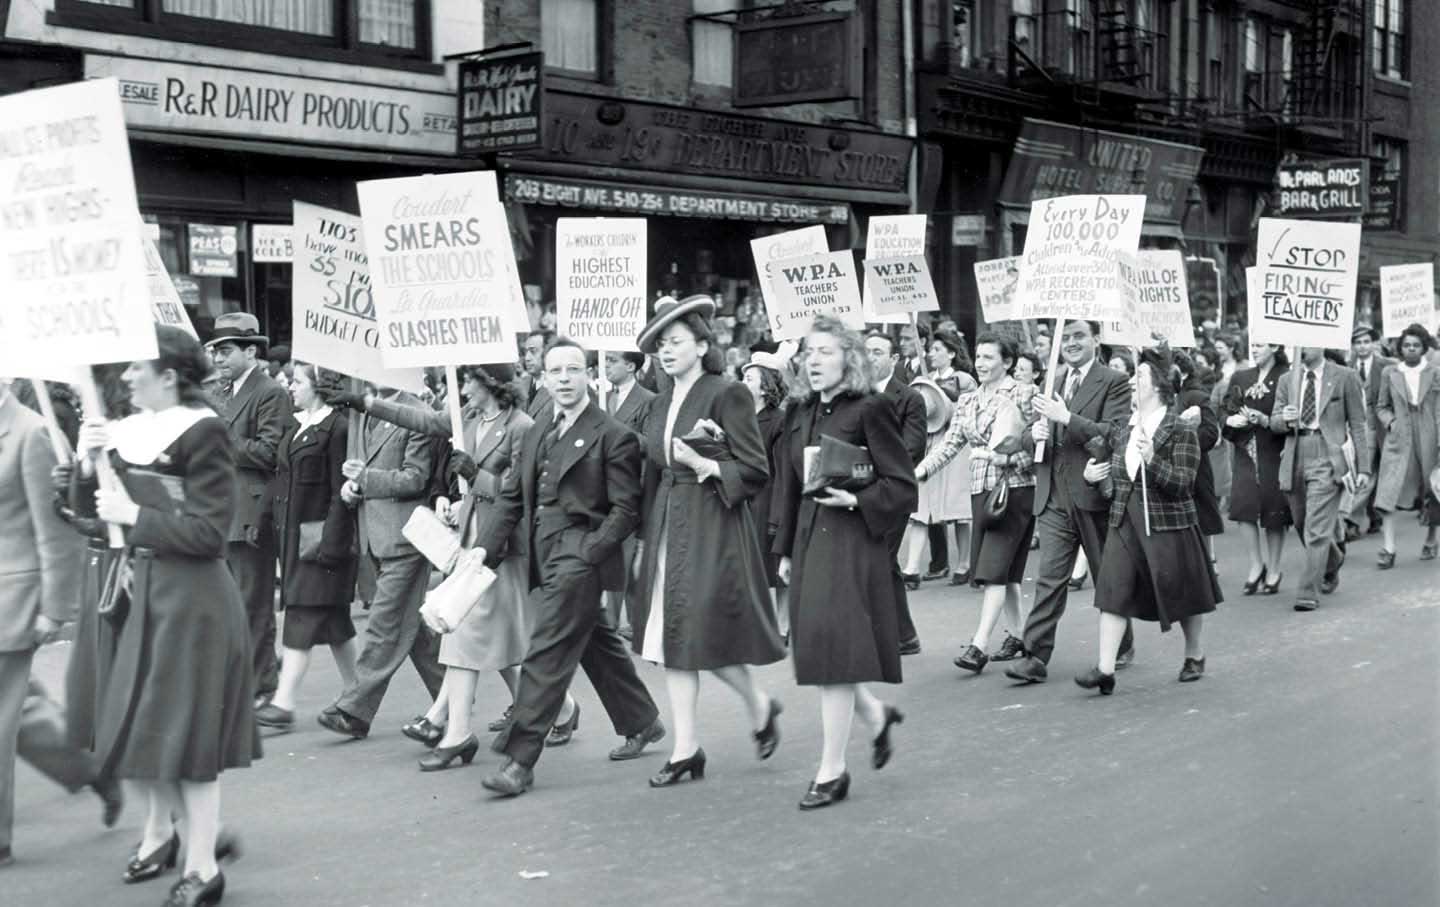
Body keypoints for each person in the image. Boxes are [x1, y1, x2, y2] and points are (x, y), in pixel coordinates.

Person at [73, 325, 258, 905]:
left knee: (189, 740)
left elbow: (208, 533)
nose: (125, 377)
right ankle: (183, 844)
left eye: (136, 368)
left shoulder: (204, 433)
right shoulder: (124, 431)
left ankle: (202, 866)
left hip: (194, 603)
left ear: (169, 376)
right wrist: (86, 460)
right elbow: (88, 516)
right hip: (142, 595)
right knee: (149, 735)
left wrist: (133, 513)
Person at [474, 338, 665, 797]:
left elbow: (625, 510)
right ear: (542, 378)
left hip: (579, 554)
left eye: (572, 370)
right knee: (596, 641)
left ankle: (520, 760)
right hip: (544, 551)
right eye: (554, 371)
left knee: (547, 649)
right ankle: (644, 721)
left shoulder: (612, 434)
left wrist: (590, 552)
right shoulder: (537, 430)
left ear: (588, 377)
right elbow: (512, 499)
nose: (563, 379)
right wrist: (484, 550)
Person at [628, 297, 786, 788]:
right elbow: (649, 467)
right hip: (667, 525)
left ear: (701, 345)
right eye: (659, 347)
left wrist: (708, 466)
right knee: (673, 638)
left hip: (712, 524)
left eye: (674, 343)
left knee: (695, 631)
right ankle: (687, 747)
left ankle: (755, 706)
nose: (665, 353)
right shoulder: (656, 403)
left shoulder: (727, 394)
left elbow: (757, 469)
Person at [771, 316, 916, 810]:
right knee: (823, 650)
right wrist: (786, 549)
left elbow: (901, 487)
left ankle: (832, 770)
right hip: (811, 544)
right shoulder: (800, 410)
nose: (813, 361)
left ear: (849, 358)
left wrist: (857, 502)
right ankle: (876, 718)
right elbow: (788, 486)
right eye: (808, 352)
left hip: (853, 543)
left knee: (833, 656)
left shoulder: (871, 408)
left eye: (826, 352)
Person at [0, 378, 122, 870]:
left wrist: (55, 605)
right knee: (21, 713)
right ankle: (93, 769)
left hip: (12, 596)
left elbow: (54, 528)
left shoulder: (30, 433)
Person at [1075, 347, 1220, 694]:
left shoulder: (1180, 429)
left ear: (1157, 386)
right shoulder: (1123, 428)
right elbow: (1103, 463)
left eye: (1138, 376)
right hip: (1124, 518)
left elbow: (1183, 483)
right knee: (1112, 588)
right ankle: (1105, 669)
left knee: (1182, 592)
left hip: (1169, 521)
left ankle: (1194, 653)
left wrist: (1153, 459)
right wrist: (1092, 472)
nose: (1131, 381)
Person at [1007, 320, 1134, 684]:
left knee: (1105, 573)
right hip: (1053, 496)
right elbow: (1031, 436)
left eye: (1079, 336)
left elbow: (1114, 432)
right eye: (1066, 337)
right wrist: (1034, 433)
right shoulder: (1051, 379)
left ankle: (1121, 644)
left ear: (1096, 339)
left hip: (1092, 494)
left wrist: (1067, 418)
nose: (1071, 343)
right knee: (1049, 577)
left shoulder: (1113, 381)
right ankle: (1035, 655)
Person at [315, 382, 444, 739]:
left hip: (406, 537)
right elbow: (359, 468)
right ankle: (448, 703)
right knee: (414, 631)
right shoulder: (362, 410)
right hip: (376, 534)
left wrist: (366, 480)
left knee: (383, 624)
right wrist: (352, 487)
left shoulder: (416, 412)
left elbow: (415, 477)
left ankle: (353, 709)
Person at [916, 334, 1037, 673]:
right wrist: (921, 471)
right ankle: (1021, 636)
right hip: (981, 492)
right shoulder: (968, 400)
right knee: (1008, 574)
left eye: (989, 357)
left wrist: (1008, 460)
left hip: (1014, 490)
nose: (981, 363)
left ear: (1008, 362)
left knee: (994, 570)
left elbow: (1037, 447)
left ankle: (978, 646)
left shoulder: (1024, 394)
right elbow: (951, 443)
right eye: (979, 357)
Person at [254, 365, 359, 733]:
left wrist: (332, 542)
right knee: (335, 623)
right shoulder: (297, 425)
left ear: (317, 385)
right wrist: (262, 521)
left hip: (320, 539)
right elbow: (281, 479)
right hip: (294, 537)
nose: (290, 387)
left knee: (301, 611)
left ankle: (283, 702)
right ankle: (357, 697)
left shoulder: (338, 428)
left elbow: (339, 492)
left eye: (297, 381)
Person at [204, 312, 291, 708]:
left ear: (250, 351)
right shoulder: (220, 392)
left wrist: (220, 434)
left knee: (253, 604)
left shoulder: (270, 392)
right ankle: (252, 675)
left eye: (226, 350)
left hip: (251, 513)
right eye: (215, 351)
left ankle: (262, 685)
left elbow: (272, 453)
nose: (218, 358)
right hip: (220, 513)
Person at [1270, 346, 1369, 612]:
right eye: (1295, 344)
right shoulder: (1286, 379)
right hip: (1295, 453)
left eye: (1306, 342)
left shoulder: (1345, 376)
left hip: (1329, 455)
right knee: (1303, 523)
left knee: (1316, 527)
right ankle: (1332, 559)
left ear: (1323, 343)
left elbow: (1359, 424)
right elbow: (1274, 421)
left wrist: (1364, 468)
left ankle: (1307, 592)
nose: (1300, 348)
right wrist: (1284, 419)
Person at [865, 332, 929, 656]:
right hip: (861, 490)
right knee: (881, 561)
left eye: (877, 352)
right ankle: (903, 635)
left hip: (893, 492)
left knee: (879, 558)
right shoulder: (855, 394)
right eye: (866, 352)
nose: (870, 357)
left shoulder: (910, 398)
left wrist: (869, 464)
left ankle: (888, 634)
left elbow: (912, 447)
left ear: (893, 359)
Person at [1223, 344, 1293, 595]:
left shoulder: (1288, 375)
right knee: (1243, 508)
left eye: (1259, 346)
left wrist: (1263, 418)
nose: (1253, 350)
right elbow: (1226, 408)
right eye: (1252, 345)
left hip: (1274, 449)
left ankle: (1274, 568)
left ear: (1274, 347)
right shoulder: (1241, 377)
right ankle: (1256, 564)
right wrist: (1230, 420)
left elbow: (1290, 414)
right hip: (1245, 449)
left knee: (1274, 511)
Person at [1373, 323, 1440, 566]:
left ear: (1423, 348)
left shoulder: (1435, 372)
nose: (1411, 349)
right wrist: (1390, 422)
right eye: (1406, 345)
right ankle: (1388, 548)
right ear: (1400, 348)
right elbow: (1381, 405)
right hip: (1399, 437)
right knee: (1388, 489)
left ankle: (1432, 537)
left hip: (1430, 435)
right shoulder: (1390, 373)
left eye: (1416, 345)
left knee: (1432, 490)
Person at [914, 330, 977, 585]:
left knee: (960, 508)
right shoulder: (925, 379)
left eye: (938, 349)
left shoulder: (964, 379)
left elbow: (970, 410)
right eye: (931, 349)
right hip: (932, 444)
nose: (932, 353)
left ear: (951, 353)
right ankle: (933, 562)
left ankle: (964, 563)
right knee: (927, 503)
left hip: (957, 444)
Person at [602, 351, 656, 637]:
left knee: (631, 556)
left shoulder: (648, 400)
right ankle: (611, 621)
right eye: (606, 360)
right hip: (601, 487)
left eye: (612, 360)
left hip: (632, 488)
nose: (606, 365)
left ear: (631, 366)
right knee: (609, 554)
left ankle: (638, 623)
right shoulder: (604, 399)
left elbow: (651, 444)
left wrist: (616, 431)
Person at [741, 350, 793, 639]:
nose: (741, 382)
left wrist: (779, 516)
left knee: (775, 568)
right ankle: (758, 624)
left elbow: (784, 472)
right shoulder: (740, 416)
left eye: (748, 378)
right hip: (742, 501)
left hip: (767, 501)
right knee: (751, 568)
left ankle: (782, 625)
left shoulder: (780, 421)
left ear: (765, 386)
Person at [1348, 325, 1393, 538]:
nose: (1363, 346)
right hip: (1354, 427)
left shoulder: (1386, 366)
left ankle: (1349, 517)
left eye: (1366, 342)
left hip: (1379, 427)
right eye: (1358, 343)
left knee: (1369, 471)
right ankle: (1370, 515)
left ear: (1373, 343)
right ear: (1353, 346)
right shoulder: (1346, 368)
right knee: (1365, 471)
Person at [518, 331, 553, 418]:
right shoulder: (521, 385)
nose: (527, 358)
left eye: (533, 351)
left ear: (547, 352)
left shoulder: (556, 387)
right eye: (525, 352)